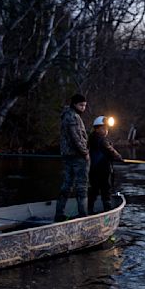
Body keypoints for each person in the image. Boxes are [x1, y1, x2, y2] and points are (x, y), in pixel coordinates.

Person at [54, 94, 90, 222]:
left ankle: (59, 213)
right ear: (74, 104)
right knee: (82, 186)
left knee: (67, 185)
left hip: (67, 155)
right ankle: (83, 216)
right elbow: (76, 138)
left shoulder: (67, 115)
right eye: (81, 105)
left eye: (85, 105)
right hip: (77, 156)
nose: (83, 108)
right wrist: (85, 153)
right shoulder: (73, 116)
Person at [88, 116, 123, 214]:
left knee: (93, 190)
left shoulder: (91, 138)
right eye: (104, 128)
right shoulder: (102, 140)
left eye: (107, 128)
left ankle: (89, 209)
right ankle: (107, 211)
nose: (106, 130)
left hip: (93, 170)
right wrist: (119, 157)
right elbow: (110, 151)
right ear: (97, 129)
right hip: (102, 170)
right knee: (105, 190)